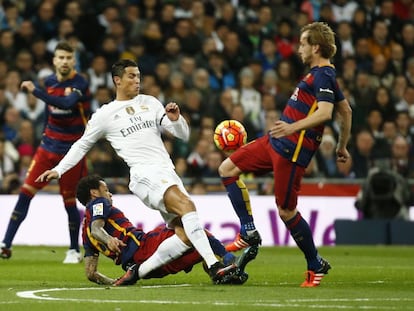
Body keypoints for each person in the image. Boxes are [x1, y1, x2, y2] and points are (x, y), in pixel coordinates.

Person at [36, 59, 238, 284]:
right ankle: (214, 266)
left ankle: (137, 272)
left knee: (184, 233)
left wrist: (177, 119)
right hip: (145, 174)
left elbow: (182, 134)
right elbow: (82, 144)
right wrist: (59, 169)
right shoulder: (105, 114)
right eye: (131, 76)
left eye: (138, 76)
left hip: (167, 171)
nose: (137, 80)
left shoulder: (150, 103)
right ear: (117, 80)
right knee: (188, 207)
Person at [218, 22, 352, 287]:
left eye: (303, 43)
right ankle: (248, 230)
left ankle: (316, 263)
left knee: (286, 211)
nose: (299, 48)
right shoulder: (319, 75)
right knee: (227, 169)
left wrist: (292, 127)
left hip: (292, 150)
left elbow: (326, 113)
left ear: (315, 47)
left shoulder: (323, 75)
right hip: (275, 141)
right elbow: (346, 111)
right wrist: (342, 146)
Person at [0, 41, 91, 263]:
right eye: (60, 57)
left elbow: (67, 102)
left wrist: (35, 91)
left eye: (68, 58)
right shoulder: (49, 81)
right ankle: (6, 243)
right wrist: (44, 134)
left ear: (74, 60)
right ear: (54, 60)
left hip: (70, 152)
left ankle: (73, 250)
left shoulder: (80, 82)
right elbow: (50, 113)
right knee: (25, 193)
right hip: (47, 148)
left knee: (69, 202)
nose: (64, 61)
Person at [78, 174, 257, 285]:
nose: (110, 194)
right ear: (94, 193)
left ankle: (222, 273)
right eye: (106, 190)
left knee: (196, 246)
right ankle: (228, 258)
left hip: (143, 266)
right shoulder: (98, 203)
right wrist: (109, 239)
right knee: (189, 228)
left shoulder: (84, 233)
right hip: (144, 246)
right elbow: (97, 227)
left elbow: (90, 273)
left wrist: (113, 282)